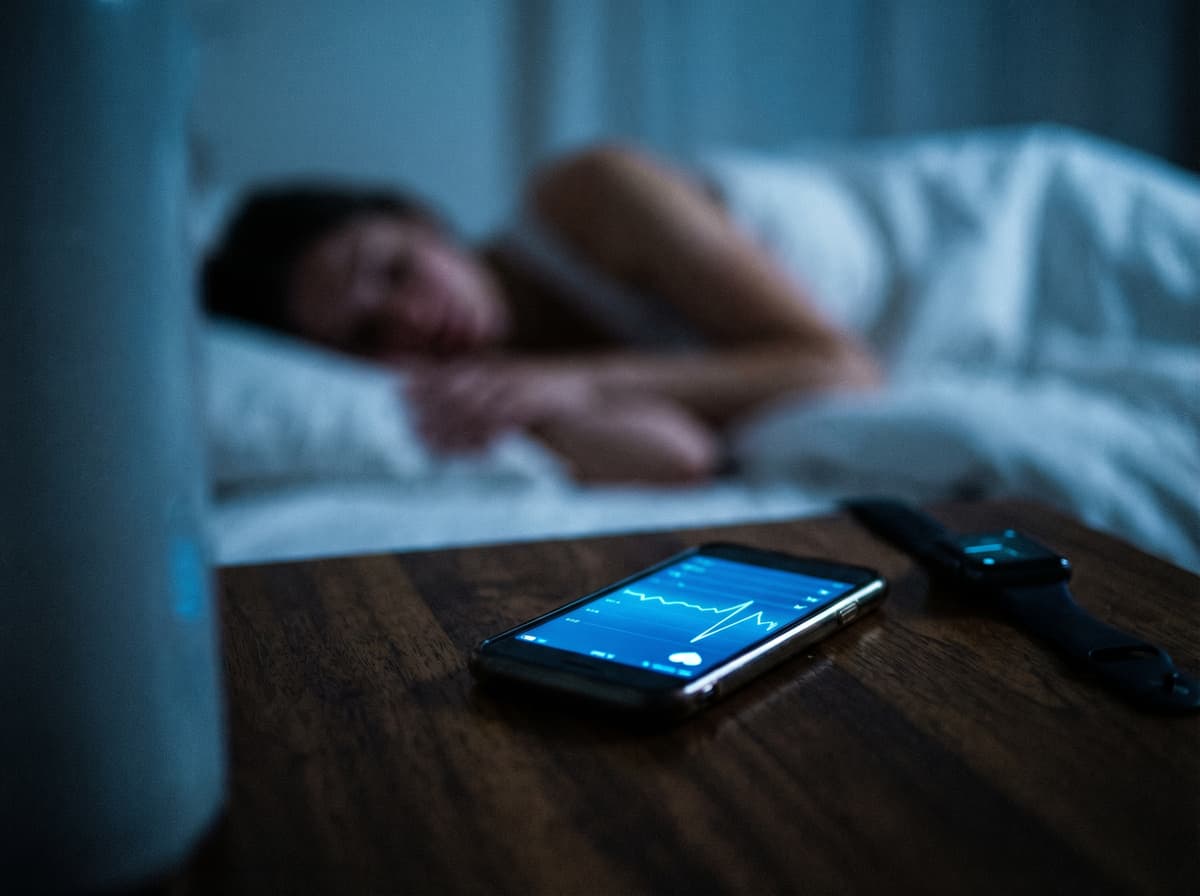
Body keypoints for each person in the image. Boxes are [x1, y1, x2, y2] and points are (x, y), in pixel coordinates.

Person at [202, 144, 881, 484]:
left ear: (422, 221)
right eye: (368, 334)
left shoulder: (592, 194)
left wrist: (585, 383)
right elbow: (680, 457)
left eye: (394, 270)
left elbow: (845, 370)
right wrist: (553, 397)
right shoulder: (506, 379)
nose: (409, 319)